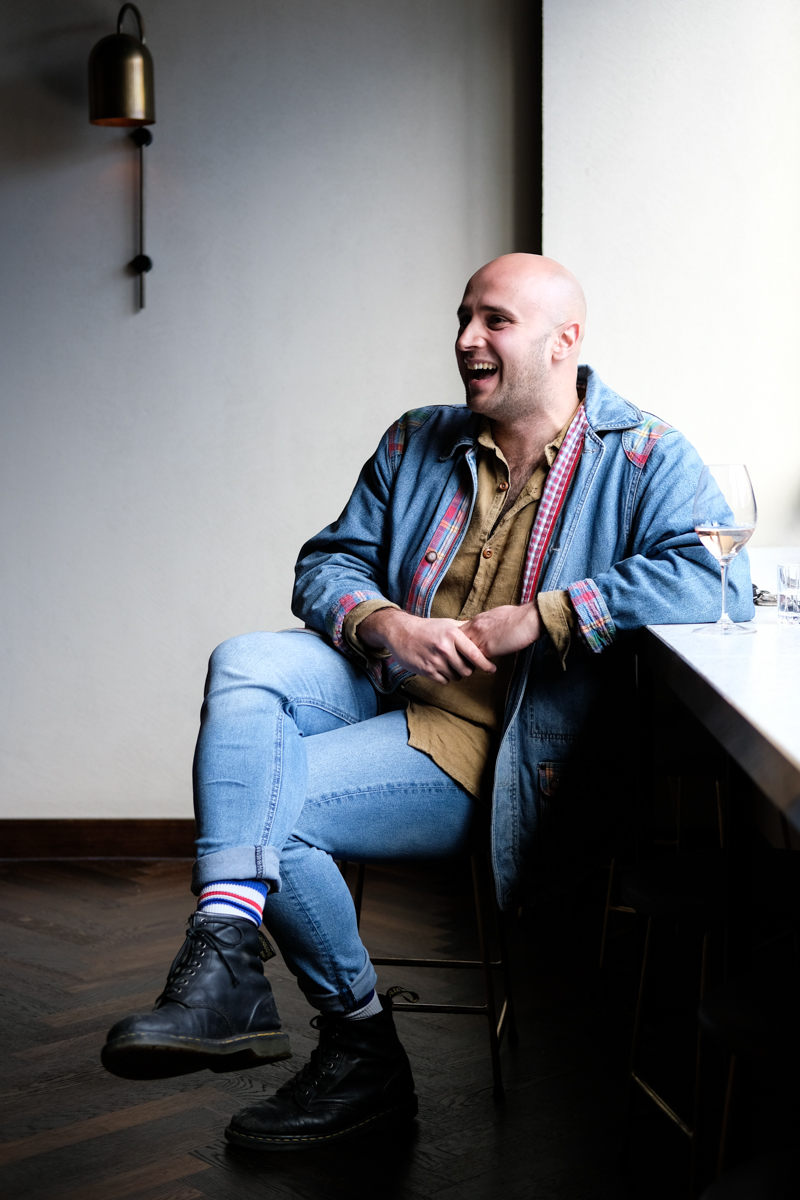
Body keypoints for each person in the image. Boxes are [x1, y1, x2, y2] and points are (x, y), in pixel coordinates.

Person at [102, 253, 752, 1150]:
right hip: (384, 687)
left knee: (275, 816)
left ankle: (359, 1046)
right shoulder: (417, 438)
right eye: (462, 317)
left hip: (505, 745)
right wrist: (388, 625)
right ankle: (224, 952)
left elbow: (717, 577)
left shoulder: (643, 453)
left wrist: (550, 615)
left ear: (564, 341)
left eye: (495, 321)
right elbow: (326, 563)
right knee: (244, 659)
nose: (466, 339)